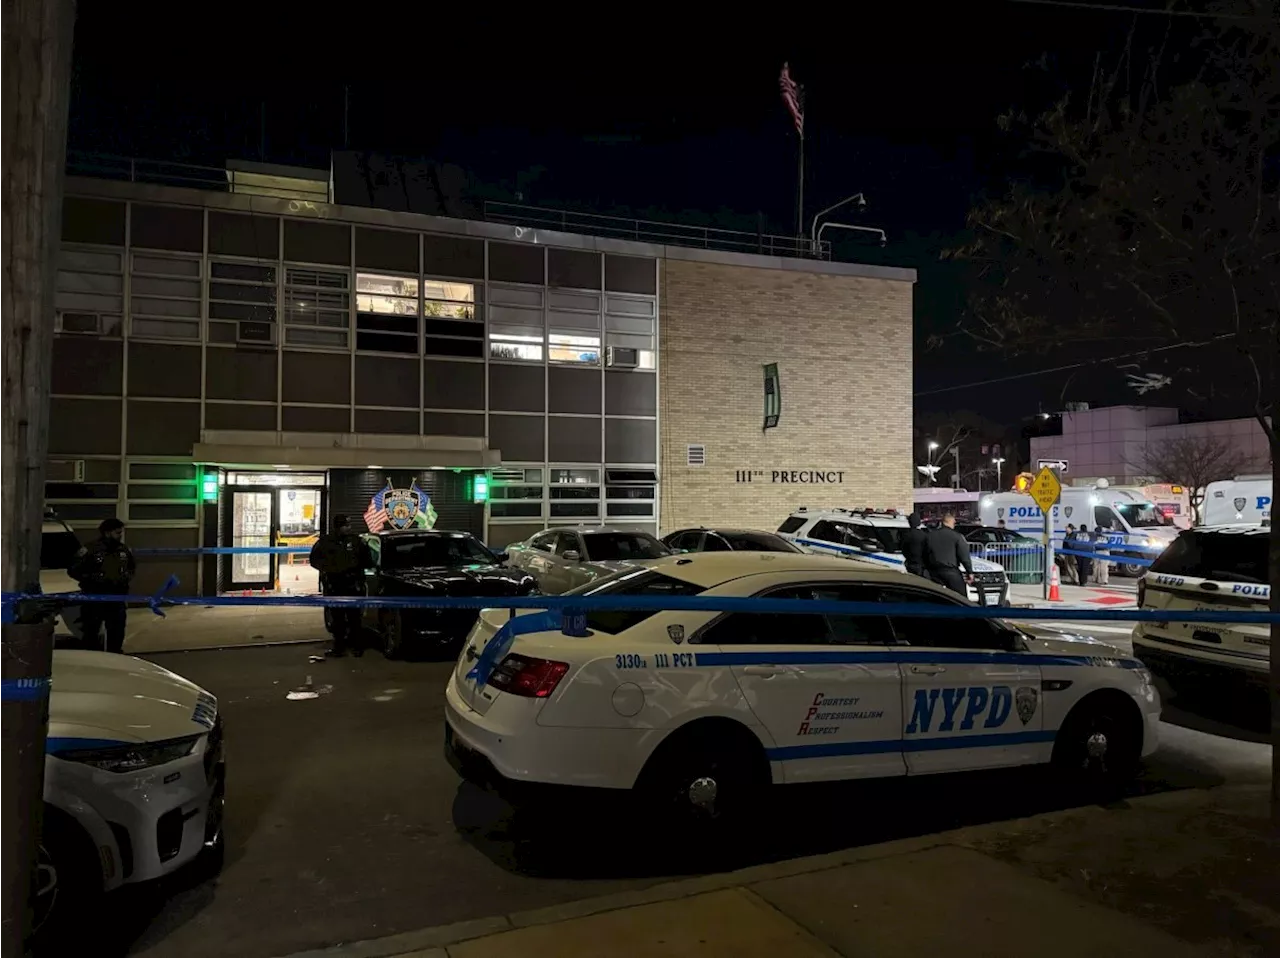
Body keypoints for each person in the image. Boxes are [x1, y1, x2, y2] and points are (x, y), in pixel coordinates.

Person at [310, 514, 374, 657]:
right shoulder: (325, 542)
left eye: (349, 525)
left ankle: (357, 647)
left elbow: (368, 561)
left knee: (355, 619)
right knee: (337, 620)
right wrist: (329, 568)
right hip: (335, 586)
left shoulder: (357, 542)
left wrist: (355, 568)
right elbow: (314, 560)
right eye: (345, 525)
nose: (348, 528)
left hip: (353, 586)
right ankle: (339, 647)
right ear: (337, 527)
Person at [69, 517, 136, 653]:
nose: (120, 536)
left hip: (116, 599)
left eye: (121, 532)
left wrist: (124, 579)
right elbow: (73, 570)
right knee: (91, 633)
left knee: (116, 633)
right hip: (95, 598)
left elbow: (131, 568)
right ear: (107, 533)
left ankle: (115, 657)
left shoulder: (123, 550)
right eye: (117, 533)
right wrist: (92, 580)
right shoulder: (90, 549)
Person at [926, 513, 973, 596]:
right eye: (954, 523)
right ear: (949, 522)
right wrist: (970, 572)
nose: (954, 525)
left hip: (934, 573)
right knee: (960, 599)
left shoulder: (930, 535)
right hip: (951, 572)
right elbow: (964, 556)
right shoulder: (957, 536)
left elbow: (925, 553)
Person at [902, 512, 930, 578]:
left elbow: (903, 549)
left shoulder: (906, 535)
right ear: (919, 522)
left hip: (910, 564)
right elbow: (928, 550)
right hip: (921, 565)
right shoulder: (924, 535)